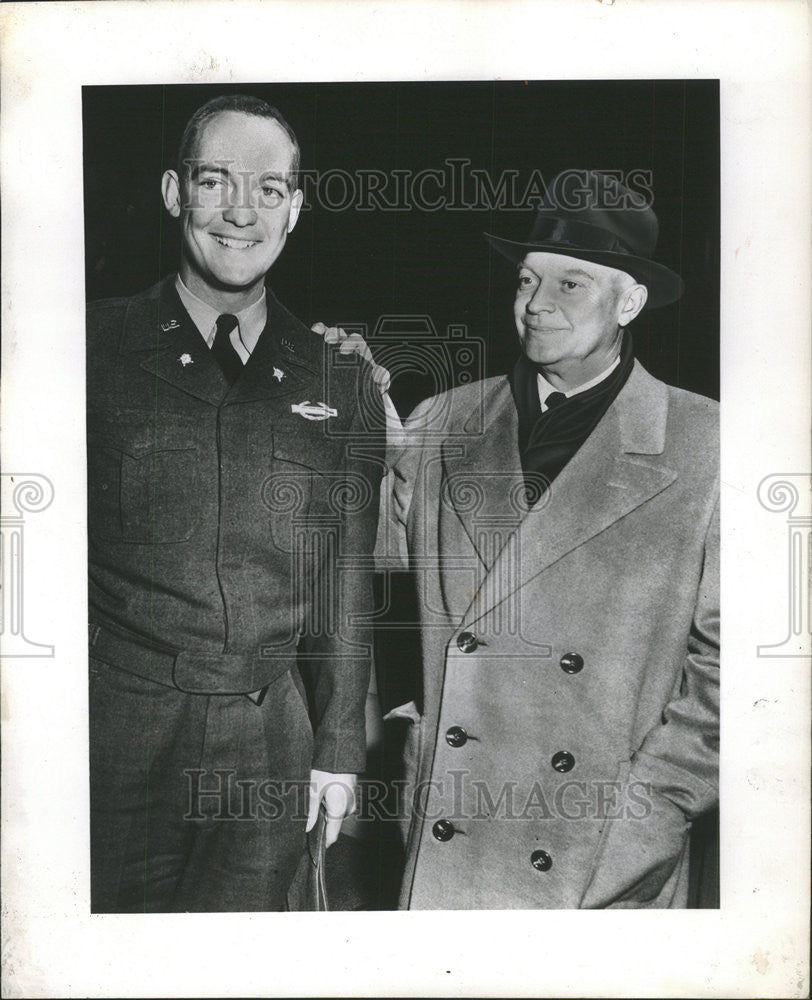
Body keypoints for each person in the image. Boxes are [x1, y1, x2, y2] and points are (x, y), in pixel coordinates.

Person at [322, 170, 719, 908]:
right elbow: (368, 565)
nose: (536, 304)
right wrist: (348, 420)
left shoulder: (706, 445)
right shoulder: (443, 421)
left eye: (571, 284)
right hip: (453, 833)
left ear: (629, 300)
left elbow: (735, 674)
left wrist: (651, 817)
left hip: (600, 852)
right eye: (527, 280)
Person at [86, 94, 385, 912]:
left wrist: (338, 750)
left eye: (267, 188)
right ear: (174, 193)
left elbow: (344, 580)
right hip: (113, 733)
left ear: (296, 208)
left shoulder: (339, 377)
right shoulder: (86, 349)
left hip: (270, 739)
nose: (239, 212)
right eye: (215, 182)